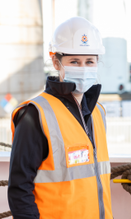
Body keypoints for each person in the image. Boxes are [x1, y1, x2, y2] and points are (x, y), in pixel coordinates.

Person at [8, 17, 113, 219]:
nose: (83, 68)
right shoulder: (35, 114)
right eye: (74, 61)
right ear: (56, 62)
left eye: (89, 61)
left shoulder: (98, 112)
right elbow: (20, 188)